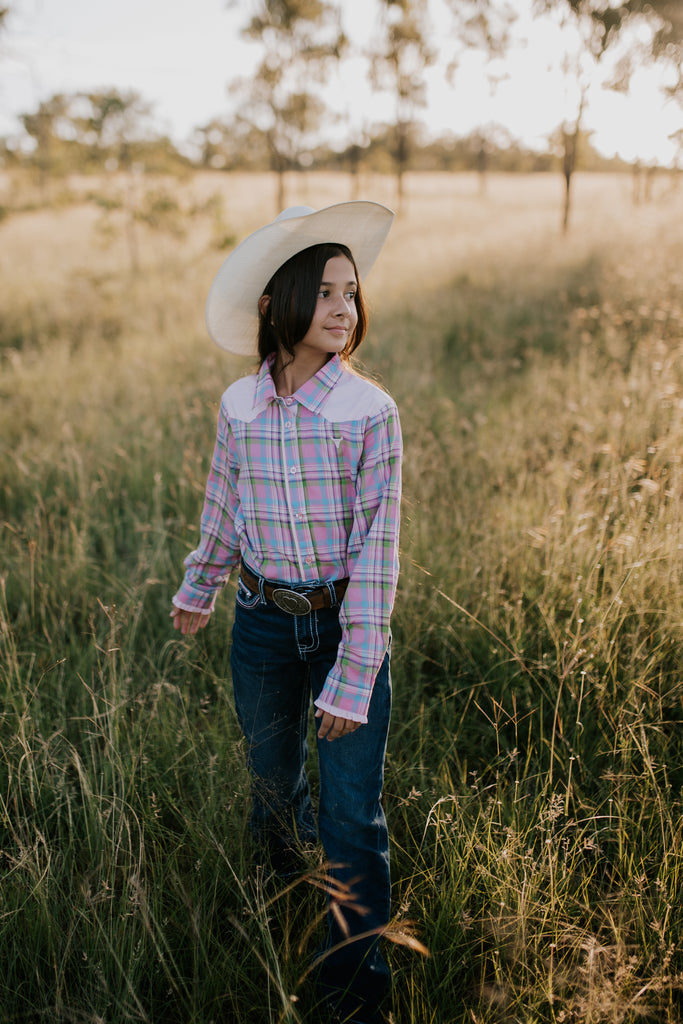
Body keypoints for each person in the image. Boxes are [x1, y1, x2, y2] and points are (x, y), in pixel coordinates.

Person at [170, 202, 402, 1024]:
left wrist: (352, 676)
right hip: (262, 623)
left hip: (343, 627)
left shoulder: (367, 412)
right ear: (276, 304)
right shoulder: (240, 404)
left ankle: (351, 987)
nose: (343, 308)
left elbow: (378, 552)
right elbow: (223, 504)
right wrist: (200, 588)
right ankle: (276, 901)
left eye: (351, 292)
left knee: (350, 813)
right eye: (325, 291)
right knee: (270, 786)